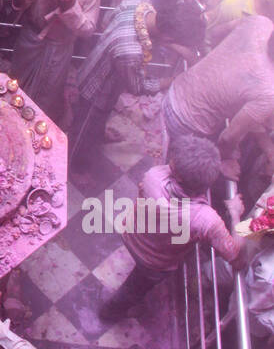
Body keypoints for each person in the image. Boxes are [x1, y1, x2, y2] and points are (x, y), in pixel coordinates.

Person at [100, 137, 248, 322]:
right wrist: (235, 214)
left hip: (132, 233)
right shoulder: (206, 220)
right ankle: (111, 312)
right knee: (135, 288)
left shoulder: (154, 176)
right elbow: (234, 254)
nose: (169, 165)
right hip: (154, 262)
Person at [72, 0, 204, 158]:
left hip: (96, 65)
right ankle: (76, 165)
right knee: (85, 128)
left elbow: (106, 21)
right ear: (168, 37)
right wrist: (173, 80)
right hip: (96, 91)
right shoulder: (131, 51)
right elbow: (137, 87)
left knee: (99, 119)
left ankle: (97, 133)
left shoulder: (139, 0)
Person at [9, 0, 102, 122]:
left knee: (46, 98)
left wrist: (70, 9)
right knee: (14, 88)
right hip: (29, 38)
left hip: (60, 49)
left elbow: (88, 30)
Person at [163, 15, 274, 174]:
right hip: (186, 124)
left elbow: (215, 33)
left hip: (174, 92)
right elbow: (228, 138)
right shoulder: (269, 91)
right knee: (175, 174)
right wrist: (222, 161)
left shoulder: (260, 22)